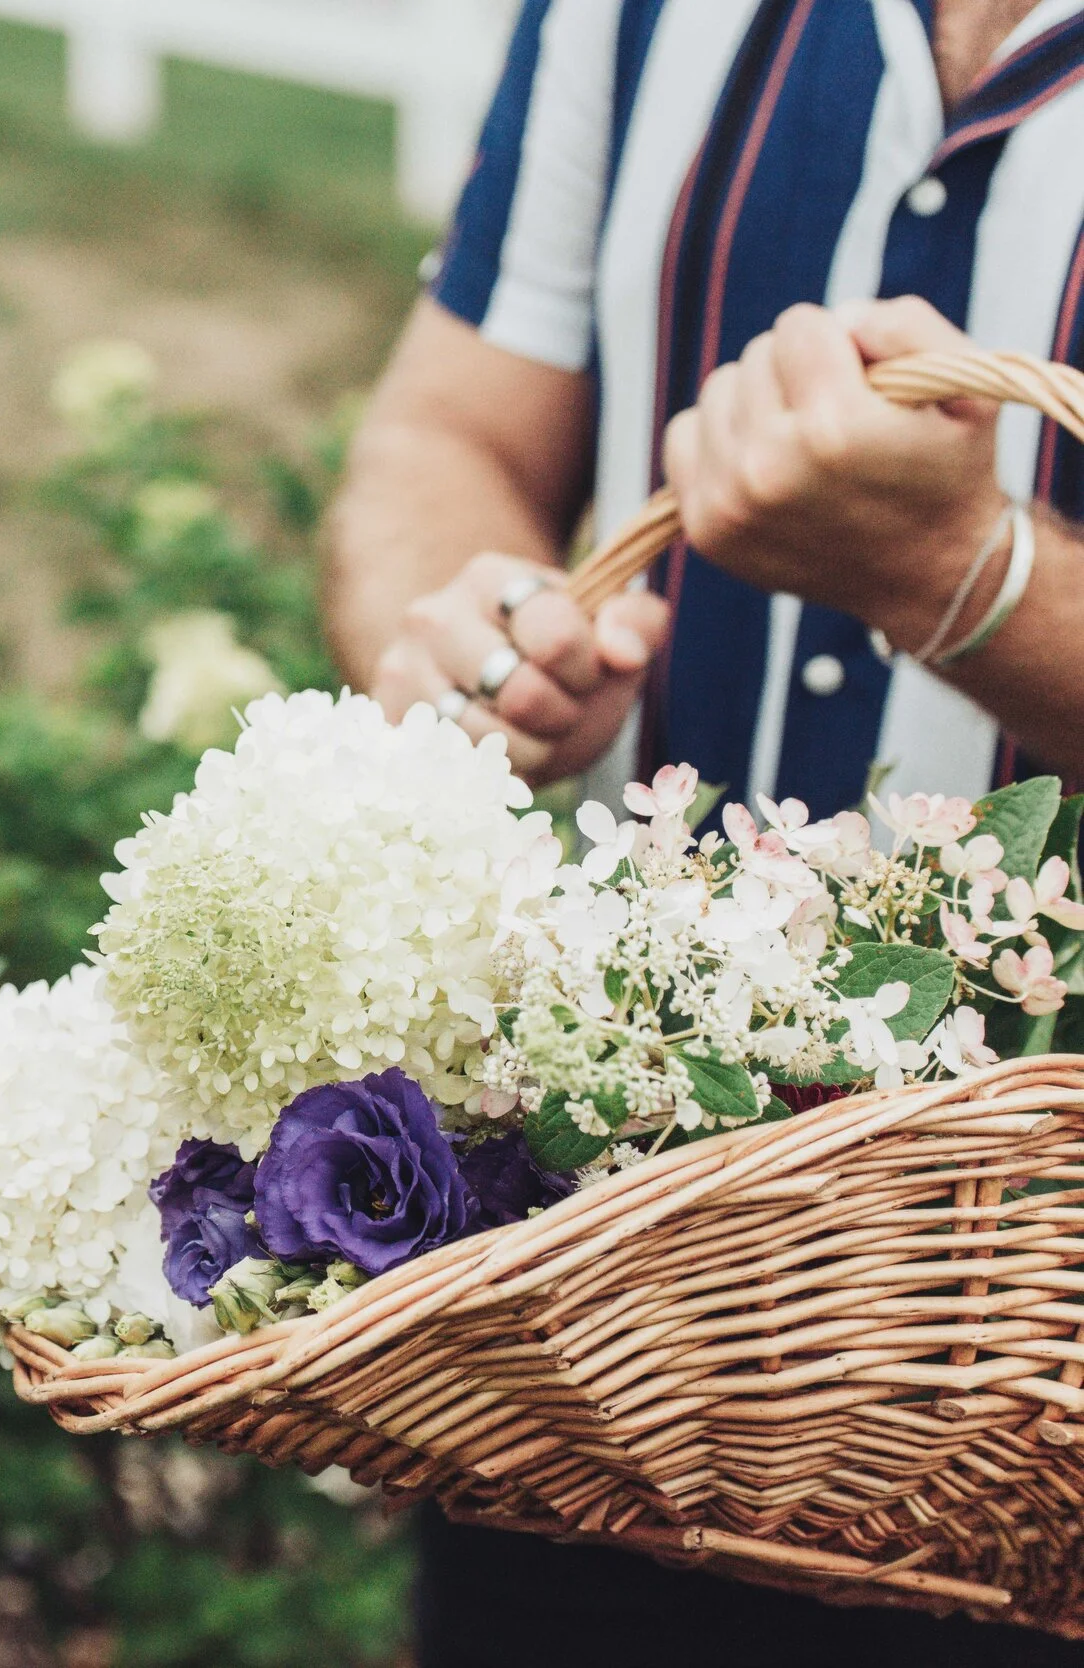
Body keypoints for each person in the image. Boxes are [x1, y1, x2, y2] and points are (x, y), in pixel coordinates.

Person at [326, 0, 1084, 1662]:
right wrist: (472, 649)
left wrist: (971, 584)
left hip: (1045, 1365)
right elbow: (441, 440)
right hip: (596, 1306)